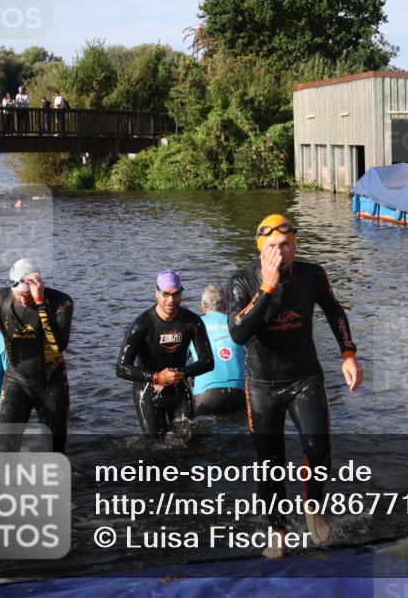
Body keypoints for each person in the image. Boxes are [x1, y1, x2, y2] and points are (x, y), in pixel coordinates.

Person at [228, 214, 363, 558]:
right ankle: (278, 528)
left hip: (305, 377)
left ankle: (312, 508)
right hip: (261, 385)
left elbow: (334, 310)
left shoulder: (311, 274)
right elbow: (239, 333)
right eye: (272, 246)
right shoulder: (242, 282)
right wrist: (268, 286)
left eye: (286, 245)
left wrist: (348, 354)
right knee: (269, 462)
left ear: (296, 245)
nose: (280, 252)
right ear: (260, 250)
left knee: (318, 450)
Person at [0, 258, 74, 453]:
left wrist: (40, 303)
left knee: (56, 452)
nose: (24, 300)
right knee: (5, 448)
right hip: (17, 381)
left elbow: (58, 345)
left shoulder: (60, 301)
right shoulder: (0, 301)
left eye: (28, 295)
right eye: (19, 295)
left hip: (52, 382)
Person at [116, 269, 214, 439]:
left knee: (188, 443)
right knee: (155, 446)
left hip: (179, 389)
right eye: (166, 294)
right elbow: (121, 368)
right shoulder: (142, 325)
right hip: (148, 391)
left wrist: (179, 373)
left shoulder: (192, 321)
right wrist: (157, 377)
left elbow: (208, 361)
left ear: (182, 294)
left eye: (176, 294)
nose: (171, 300)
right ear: (157, 294)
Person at [190, 285, 246, 417]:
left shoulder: (193, 324)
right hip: (238, 393)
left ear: (203, 306)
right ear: (226, 307)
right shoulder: (237, 324)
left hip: (207, 395)